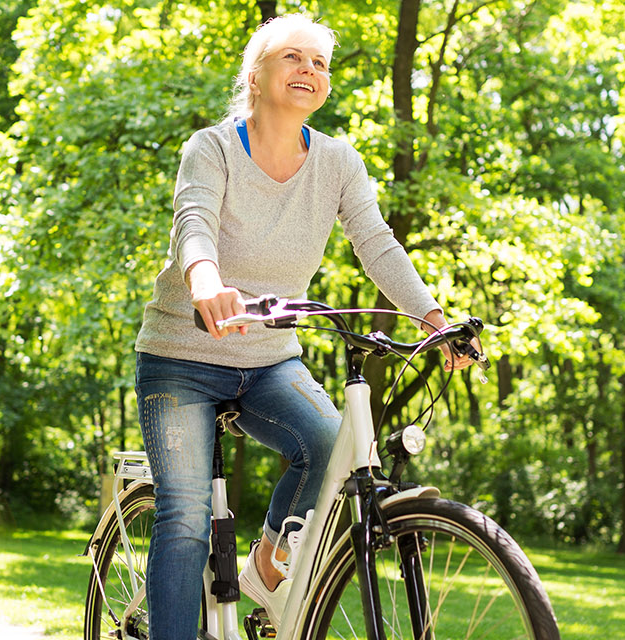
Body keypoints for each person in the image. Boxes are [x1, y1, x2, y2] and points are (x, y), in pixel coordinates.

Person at [131, 14, 478, 638]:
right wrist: (205, 282)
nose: (309, 71)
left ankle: (268, 560)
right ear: (255, 76)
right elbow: (194, 222)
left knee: (332, 444)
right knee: (183, 517)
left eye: (319, 64)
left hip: (269, 359)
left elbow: (376, 243)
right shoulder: (210, 148)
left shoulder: (338, 162)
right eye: (293, 57)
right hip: (182, 356)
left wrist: (433, 318)